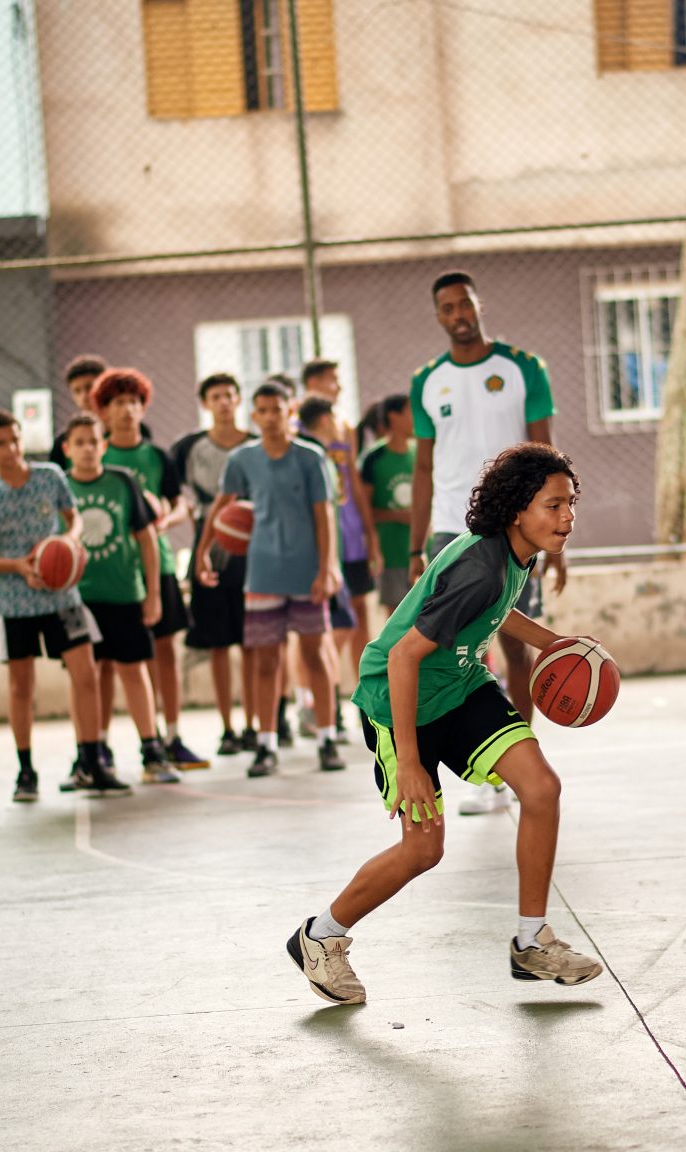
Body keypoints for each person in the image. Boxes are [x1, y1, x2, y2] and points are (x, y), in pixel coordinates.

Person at [287, 443, 605, 1005]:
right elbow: (404, 656)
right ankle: (319, 936)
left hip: (460, 685)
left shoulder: (517, 551)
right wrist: (410, 763)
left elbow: (496, 610)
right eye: (554, 506)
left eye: (570, 504)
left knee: (541, 788)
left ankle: (531, 941)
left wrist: (554, 643)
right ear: (518, 510)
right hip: (399, 700)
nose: (567, 517)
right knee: (422, 851)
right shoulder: (478, 566)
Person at [409, 269, 566, 816]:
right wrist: (415, 546)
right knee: (459, 651)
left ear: (479, 306)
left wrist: (558, 541)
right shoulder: (427, 380)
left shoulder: (524, 367)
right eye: (448, 307)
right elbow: (423, 467)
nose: (459, 314)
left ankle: (522, 765)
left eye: (465, 304)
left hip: (517, 527)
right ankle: (488, 773)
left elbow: (547, 457)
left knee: (517, 648)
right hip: (451, 528)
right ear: (438, 315)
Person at [0, 410, 130, 801]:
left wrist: (67, 543)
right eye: (1, 443)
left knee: (86, 674)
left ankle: (92, 762)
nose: (11, 448)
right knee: (21, 686)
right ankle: (26, 771)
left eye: (15, 439)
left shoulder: (50, 477)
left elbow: (74, 521)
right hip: (15, 601)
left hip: (62, 596)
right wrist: (20, 566)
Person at [195, 381, 343, 777]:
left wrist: (327, 567)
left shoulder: (310, 457)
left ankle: (327, 738)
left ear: (289, 412)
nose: (271, 416)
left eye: (277, 409)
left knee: (315, 656)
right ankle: (265, 744)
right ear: (254, 415)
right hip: (262, 573)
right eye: (263, 410)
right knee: (266, 661)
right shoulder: (242, 460)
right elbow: (221, 507)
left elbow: (324, 516)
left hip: (306, 572)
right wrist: (203, 550)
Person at [91, 368, 209, 770]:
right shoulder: (98, 455)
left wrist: (164, 521)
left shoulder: (157, 457)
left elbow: (179, 504)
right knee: (108, 661)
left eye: (134, 402)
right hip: (112, 570)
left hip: (155, 561)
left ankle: (171, 736)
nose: (127, 409)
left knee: (165, 651)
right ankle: (101, 743)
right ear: (104, 411)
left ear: (143, 408)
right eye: (118, 402)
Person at [61, 413, 179, 788]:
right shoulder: (60, 487)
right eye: (79, 442)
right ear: (66, 449)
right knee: (85, 677)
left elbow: (147, 539)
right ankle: (90, 754)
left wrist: (153, 594)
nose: (87, 449)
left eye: (93, 442)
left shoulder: (122, 481)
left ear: (104, 445)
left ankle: (152, 750)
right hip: (78, 600)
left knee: (133, 669)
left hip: (125, 593)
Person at [172, 373, 257, 756]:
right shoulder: (188, 448)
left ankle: (255, 724)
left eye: (229, 395)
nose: (223, 401)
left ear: (238, 399)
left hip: (251, 548)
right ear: (205, 403)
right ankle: (227, 728)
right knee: (218, 644)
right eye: (215, 396)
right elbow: (172, 493)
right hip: (209, 548)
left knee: (252, 641)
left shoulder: (254, 446)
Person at [301, 358, 380, 723]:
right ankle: (312, 699)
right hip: (317, 539)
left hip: (350, 536)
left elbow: (354, 484)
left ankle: (364, 695)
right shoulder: (295, 428)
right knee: (317, 624)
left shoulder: (344, 428)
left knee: (357, 612)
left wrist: (370, 534)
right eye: (332, 380)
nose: (339, 386)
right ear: (313, 383)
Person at [297, 393, 356, 747]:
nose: (340, 426)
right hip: (320, 561)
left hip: (330, 559)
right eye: (335, 418)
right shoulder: (311, 456)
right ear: (324, 421)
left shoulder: (322, 455)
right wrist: (325, 563)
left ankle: (319, 704)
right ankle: (313, 704)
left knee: (333, 631)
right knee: (324, 635)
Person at [359, 393, 416, 617]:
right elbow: (364, 509)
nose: (417, 417)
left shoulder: (420, 451)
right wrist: (397, 516)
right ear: (394, 416)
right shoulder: (374, 457)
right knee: (397, 619)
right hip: (391, 552)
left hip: (424, 550)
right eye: (411, 412)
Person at [50, 354, 154, 471]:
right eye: (77, 391)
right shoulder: (64, 441)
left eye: (89, 387)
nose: (84, 396)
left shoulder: (137, 431)